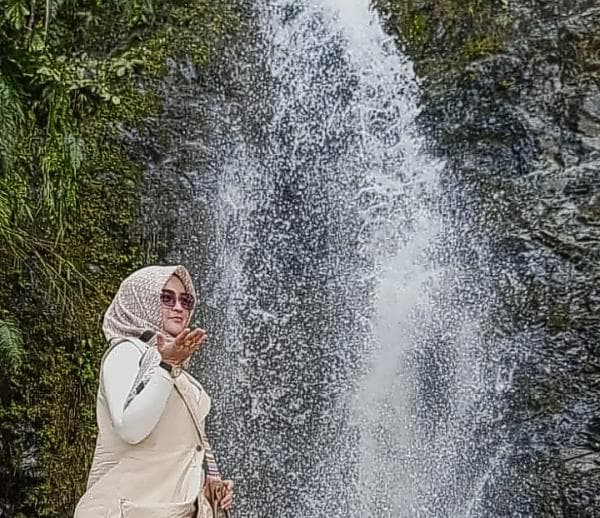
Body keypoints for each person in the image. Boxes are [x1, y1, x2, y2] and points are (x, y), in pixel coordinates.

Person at [74, 265, 234, 518]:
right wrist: (166, 366)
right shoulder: (126, 352)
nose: (179, 307)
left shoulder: (180, 375)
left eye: (186, 300)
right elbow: (131, 428)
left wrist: (204, 486)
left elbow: (166, 452)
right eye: (166, 297)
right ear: (140, 299)